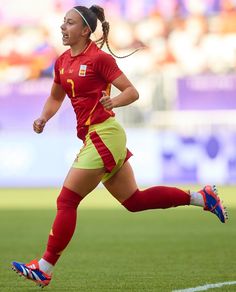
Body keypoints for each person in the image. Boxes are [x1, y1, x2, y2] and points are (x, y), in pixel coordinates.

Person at [11, 5, 228, 288]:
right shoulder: (61, 61)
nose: (63, 27)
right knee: (134, 201)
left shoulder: (99, 59)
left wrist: (114, 101)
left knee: (66, 200)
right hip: (95, 136)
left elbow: (132, 92)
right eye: (63, 22)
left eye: (70, 23)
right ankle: (203, 197)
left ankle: (45, 266)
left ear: (86, 30)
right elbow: (55, 97)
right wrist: (43, 117)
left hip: (105, 133)